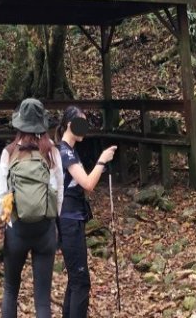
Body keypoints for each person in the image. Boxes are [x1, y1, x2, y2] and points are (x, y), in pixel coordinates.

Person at [0, 98, 64, 318]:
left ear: (19, 124)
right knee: (42, 299)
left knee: (10, 290)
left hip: (17, 229)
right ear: (42, 125)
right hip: (45, 230)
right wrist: (53, 223)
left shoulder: (9, 153)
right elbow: (59, 195)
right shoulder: (52, 153)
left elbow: (0, 198)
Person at [56, 106, 117, 318]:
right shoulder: (64, 152)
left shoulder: (70, 151)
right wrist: (102, 160)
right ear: (70, 124)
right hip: (68, 221)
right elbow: (88, 184)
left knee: (76, 280)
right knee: (81, 281)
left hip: (74, 219)